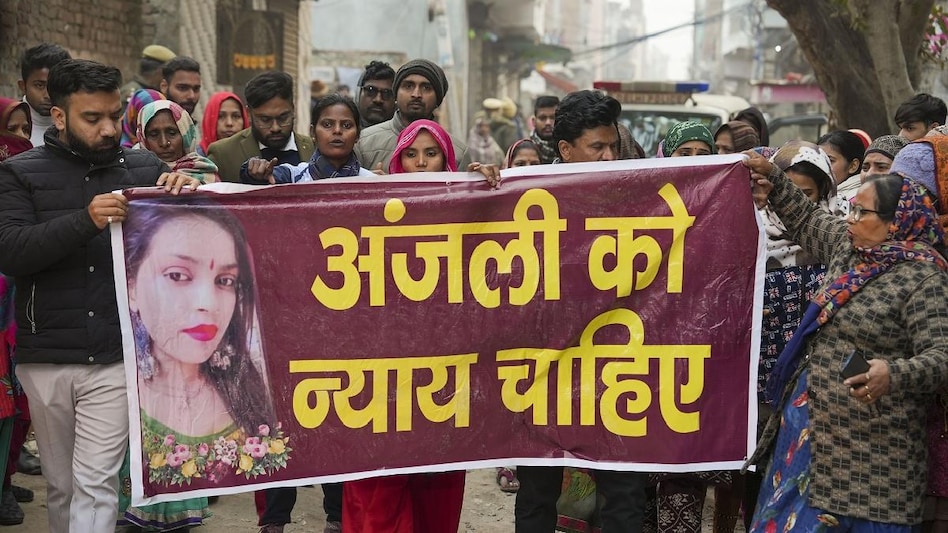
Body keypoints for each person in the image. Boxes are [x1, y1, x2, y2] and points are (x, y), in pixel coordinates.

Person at [0, 58, 200, 533]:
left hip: (117, 354)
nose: (109, 129)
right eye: (93, 118)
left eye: (114, 115)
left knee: (95, 484)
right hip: (46, 355)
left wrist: (186, 195)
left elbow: (183, 247)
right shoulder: (19, 173)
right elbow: (11, 252)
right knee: (62, 487)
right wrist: (84, 220)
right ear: (60, 115)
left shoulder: (145, 167)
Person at [742, 151, 948, 531]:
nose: (850, 219)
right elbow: (806, 218)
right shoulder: (848, 247)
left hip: (873, 454)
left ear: (895, 221)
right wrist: (771, 173)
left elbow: (942, 355)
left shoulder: (923, 279)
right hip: (808, 434)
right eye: (851, 209)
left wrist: (892, 373)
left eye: (861, 213)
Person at [513, 89, 647, 533]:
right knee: (537, 489)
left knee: (624, 492)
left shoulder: (638, 194)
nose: (610, 157)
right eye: (598, 147)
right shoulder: (525, 197)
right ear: (566, 150)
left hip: (613, 369)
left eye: (613, 146)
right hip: (545, 371)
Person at [342, 119, 469, 533]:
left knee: (437, 476)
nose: (421, 163)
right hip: (386, 367)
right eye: (411, 154)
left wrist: (490, 187)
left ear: (447, 160)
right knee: (381, 476)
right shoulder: (373, 204)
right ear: (397, 159)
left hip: (443, 369)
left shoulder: (467, 208)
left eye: (431, 154)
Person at [0, 97, 35, 527]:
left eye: (26, 130)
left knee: (17, 406)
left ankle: (4, 479)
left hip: (18, 313)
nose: (21, 139)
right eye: (12, 130)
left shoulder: (25, 182)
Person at [354, 58, 469, 172]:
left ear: (438, 99)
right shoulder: (364, 143)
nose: (416, 94)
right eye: (408, 86)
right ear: (396, 94)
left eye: (426, 88)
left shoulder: (458, 152)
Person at [207, 71, 316, 183]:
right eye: (265, 120)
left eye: (283, 118)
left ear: (293, 109)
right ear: (249, 114)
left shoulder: (315, 148)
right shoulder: (223, 153)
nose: (275, 128)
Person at [242, 93, 374, 184]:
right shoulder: (293, 176)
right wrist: (254, 171)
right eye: (327, 124)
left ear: (357, 135)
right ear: (312, 133)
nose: (337, 131)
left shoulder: (371, 182)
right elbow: (268, 176)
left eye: (346, 125)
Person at [138, 100, 220, 183]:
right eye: (154, 135)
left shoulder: (205, 174)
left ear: (186, 135)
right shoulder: (134, 176)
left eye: (172, 133)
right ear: (143, 139)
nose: (164, 143)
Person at [18, 42, 72, 147]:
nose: (48, 95)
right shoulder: (6, 125)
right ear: (23, 86)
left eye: (55, 86)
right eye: (39, 85)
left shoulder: (75, 128)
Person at [817, 130, 865, 213]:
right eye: (818, 159)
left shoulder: (860, 201)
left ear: (853, 166)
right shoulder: (824, 195)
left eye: (830, 160)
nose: (821, 166)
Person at [198, 91, 249, 156]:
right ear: (210, 121)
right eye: (221, 116)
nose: (229, 123)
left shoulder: (253, 155)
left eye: (236, 116)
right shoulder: (195, 159)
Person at [356, 60, 396, 129]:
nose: (378, 99)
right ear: (358, 94)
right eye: (371, 90)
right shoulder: (342, 130)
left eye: (386, 93)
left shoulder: (405, 134)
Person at [530, 95, 559, 164]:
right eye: (542, 118)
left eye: (553, 117)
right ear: (534, 121)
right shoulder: (525, 149)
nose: (548, 123)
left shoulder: (570, 150)